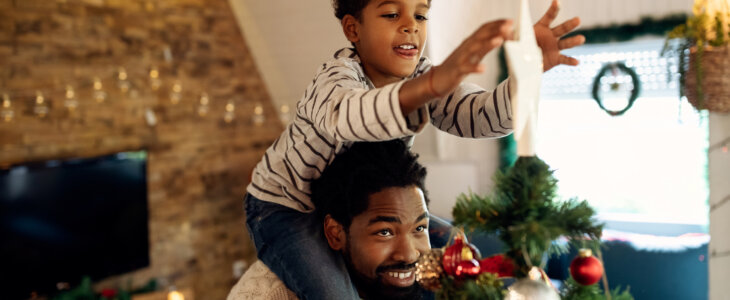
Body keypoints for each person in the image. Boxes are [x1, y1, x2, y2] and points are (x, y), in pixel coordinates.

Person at [244, 0, 585, 298]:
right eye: (392, 14)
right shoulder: (335, 80)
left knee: (462, 253)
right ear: (353, 29)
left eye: (421, 16)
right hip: (288, 209)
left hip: (353, 207)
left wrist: (526, 74)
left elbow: (482, 117)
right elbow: (350, 117)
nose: (411, 26)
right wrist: (428, 87)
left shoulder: (421, 76)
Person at [231, 140, 434, 300]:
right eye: (385, 232)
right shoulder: (271, 296)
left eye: (419, 228)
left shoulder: (431, 279)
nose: (408, 254)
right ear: (335, 233)